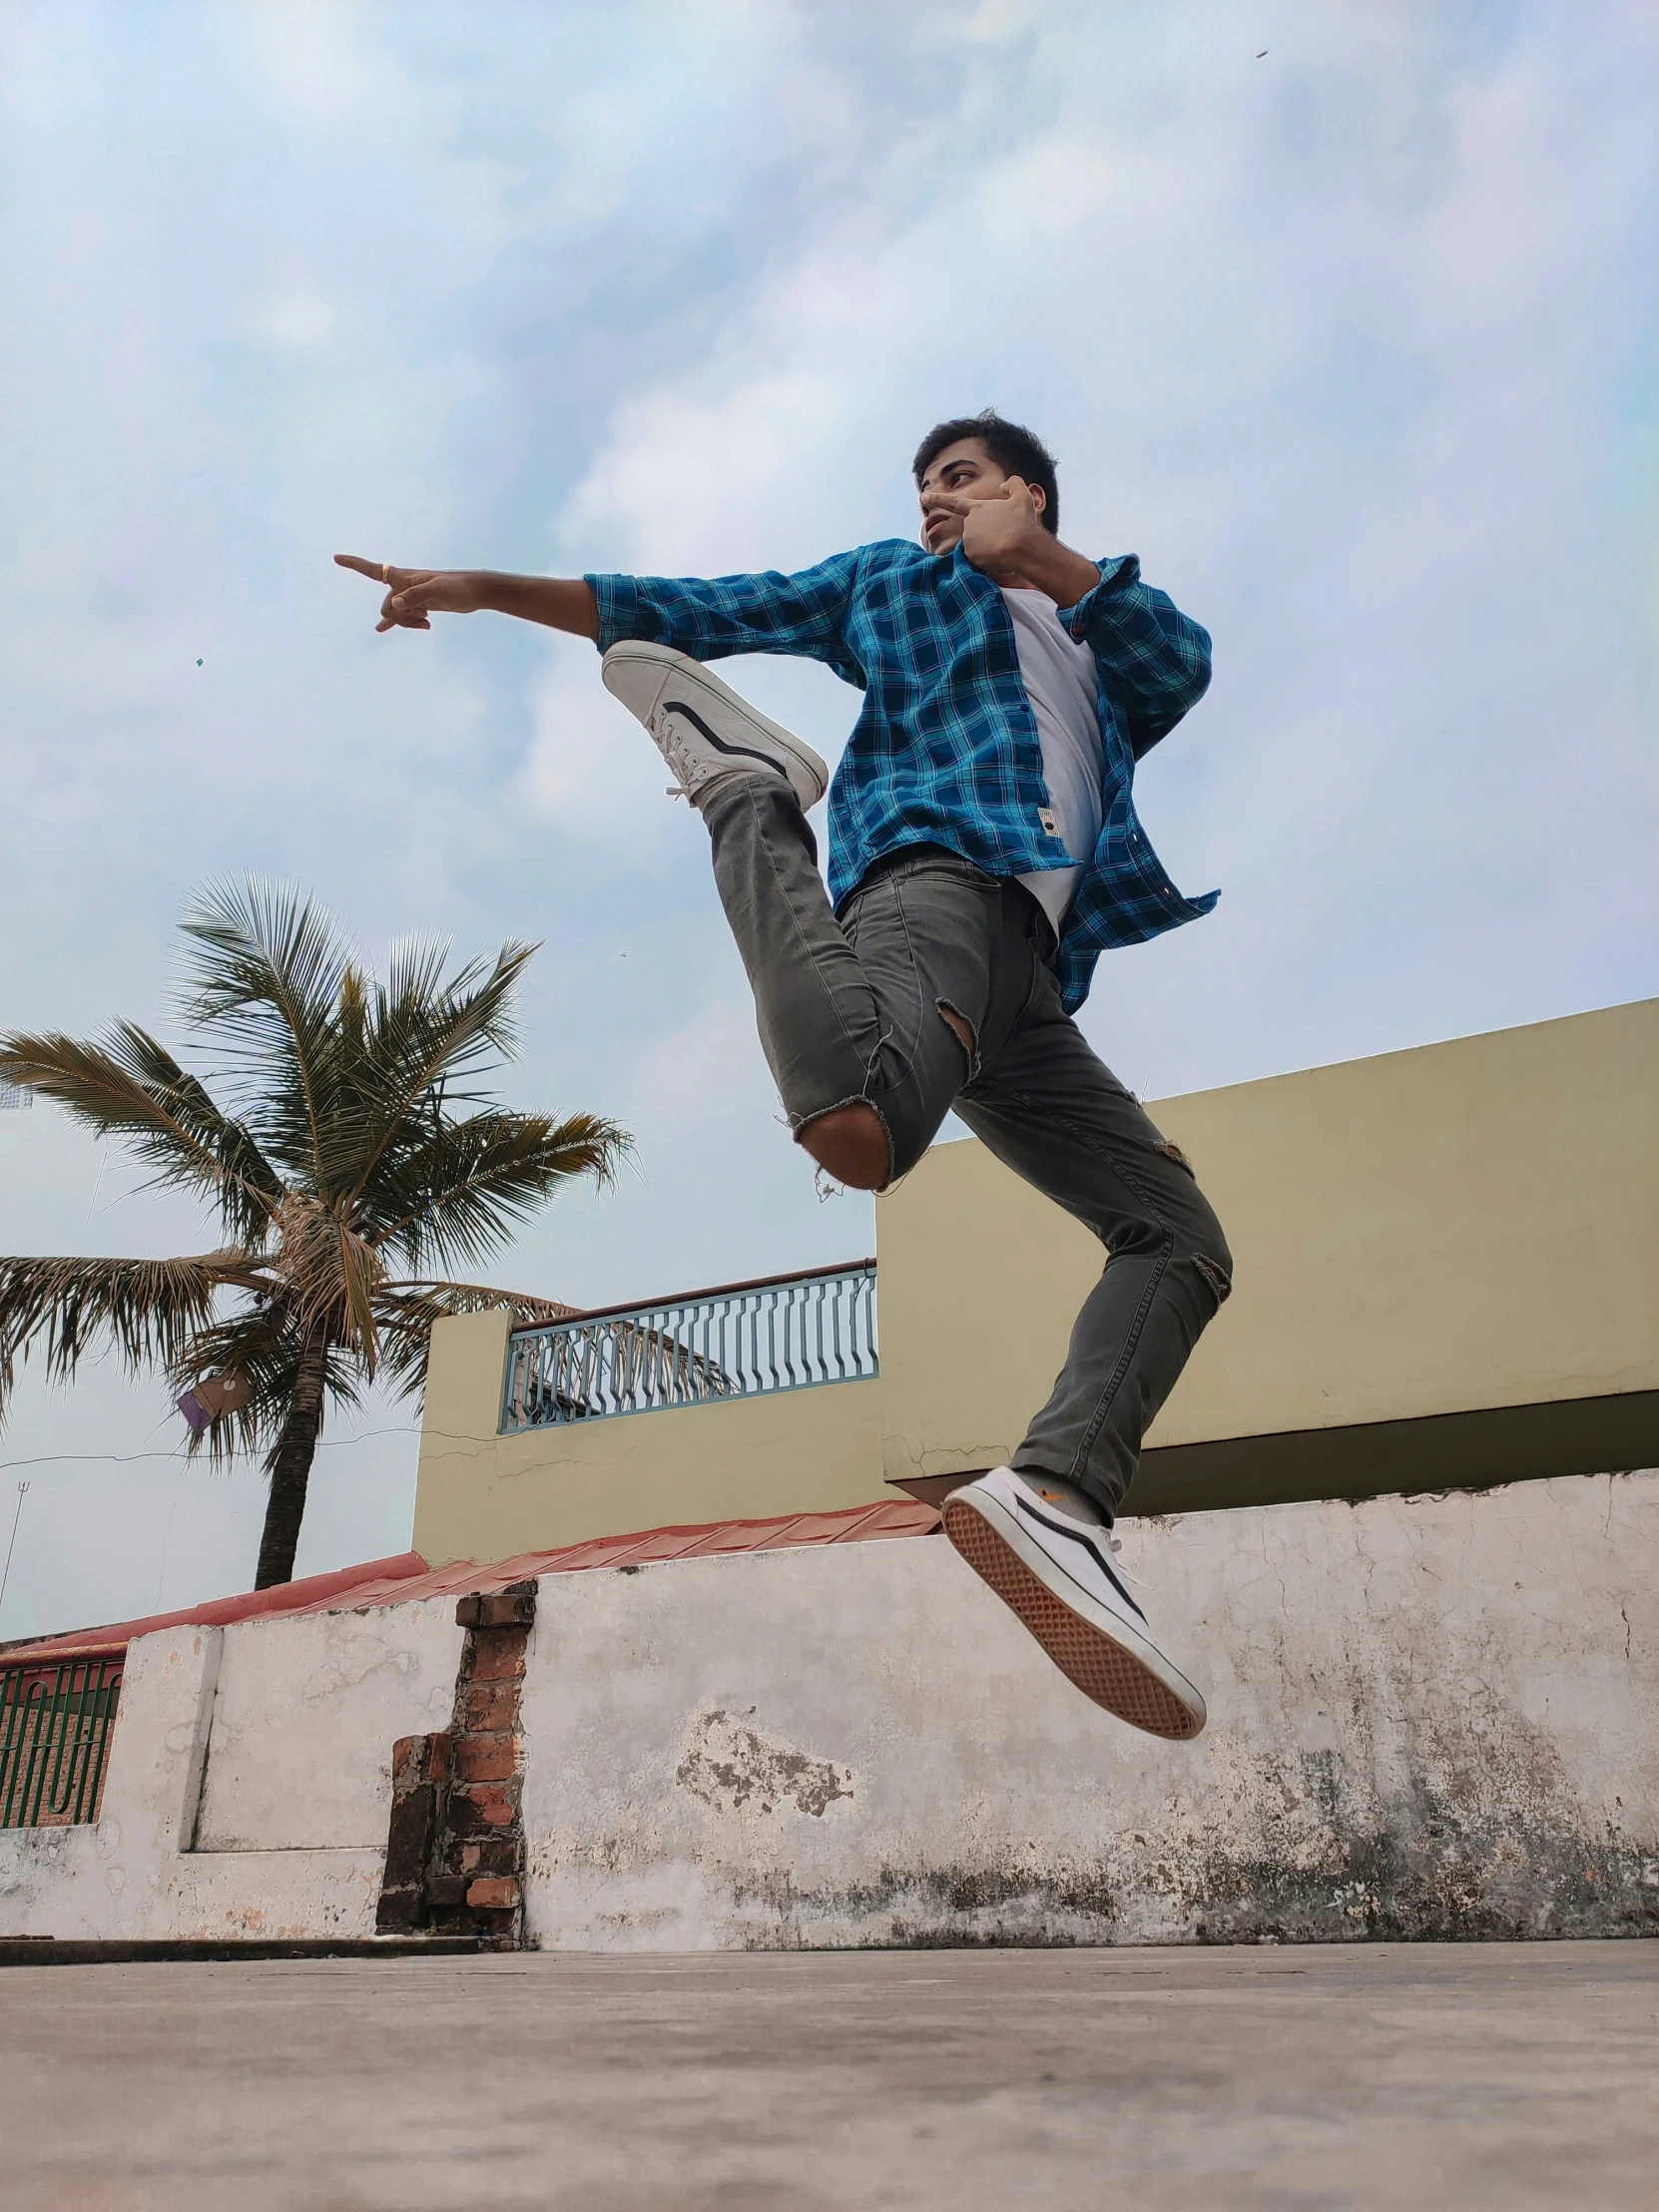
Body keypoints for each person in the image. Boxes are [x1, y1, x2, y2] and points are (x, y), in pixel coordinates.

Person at [337, 408, 1232, 1741]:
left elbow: (1181, 663)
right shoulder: (886, 583)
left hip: (1028, 984)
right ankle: (747, 796)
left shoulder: (1100, 643)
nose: (936, 499)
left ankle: (1054, 1493)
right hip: (929, 886)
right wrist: (479, 588)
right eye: (926, 482)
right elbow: (684, 604)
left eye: (962, 478)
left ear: (1026, 491)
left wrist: (1040, 559)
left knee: (1178, 1239)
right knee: (858, 1128)